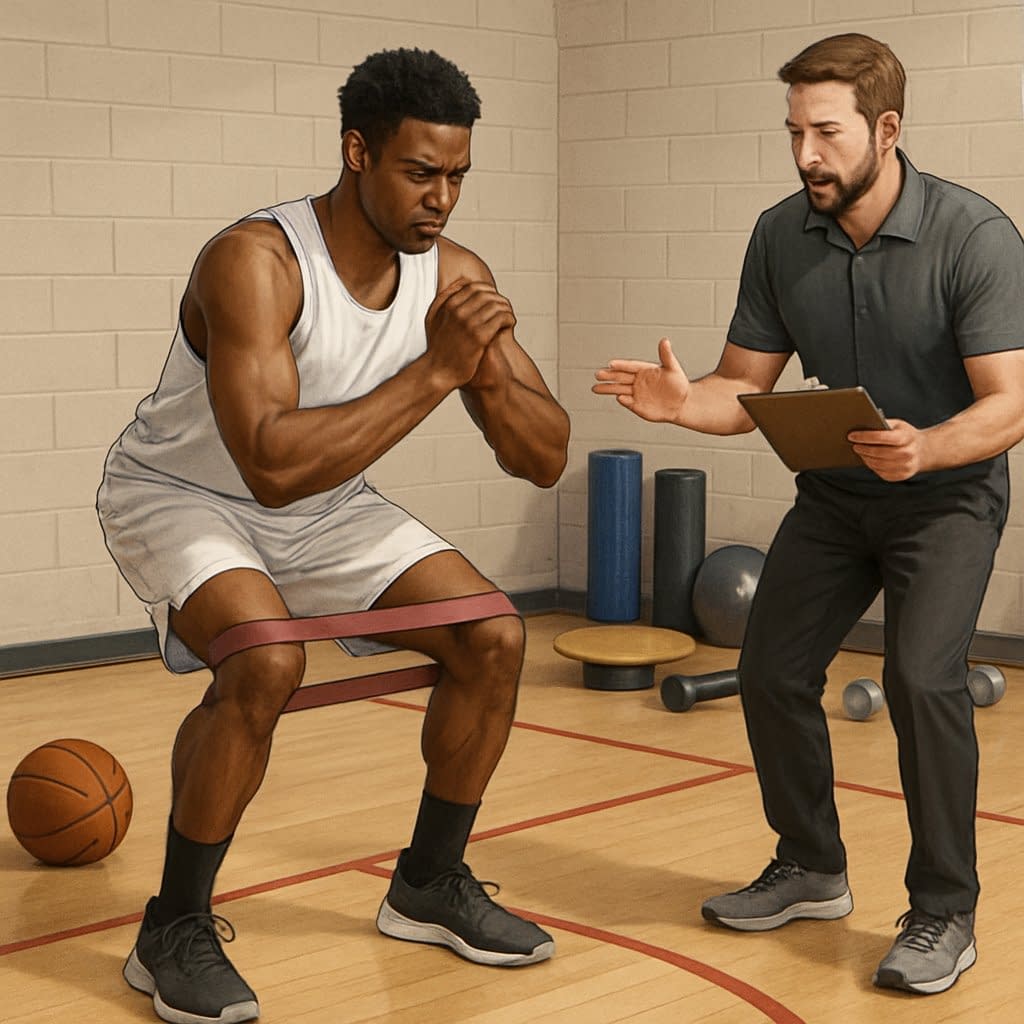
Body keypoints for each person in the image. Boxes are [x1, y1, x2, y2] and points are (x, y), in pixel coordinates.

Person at [97, 47, 569, 1024]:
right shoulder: (257, 261)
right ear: (357, 151)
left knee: (493, 636)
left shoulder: (455, 276)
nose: (441, 199)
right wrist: (439, 372)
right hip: (185, 495)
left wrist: (487, 370)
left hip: (329, 505)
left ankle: (429, 884)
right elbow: (267, 463)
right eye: (419, 172)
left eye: (456, 176)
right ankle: (172, 926)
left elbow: (545, 454)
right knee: (265, 662)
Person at [594, 33, 1024, 995]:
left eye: (825, 133)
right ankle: (812, 868)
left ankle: (944, 912)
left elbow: (1009, 404)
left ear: (886, 128)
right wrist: (684, 404)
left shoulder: (975, 236)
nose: (804, 156)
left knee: (921, 682)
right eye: (793, 131)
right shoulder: (780, 233)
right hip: (835, 496)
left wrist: (929, 445)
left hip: (945, 497)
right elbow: (739, 388)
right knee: (770, 672)